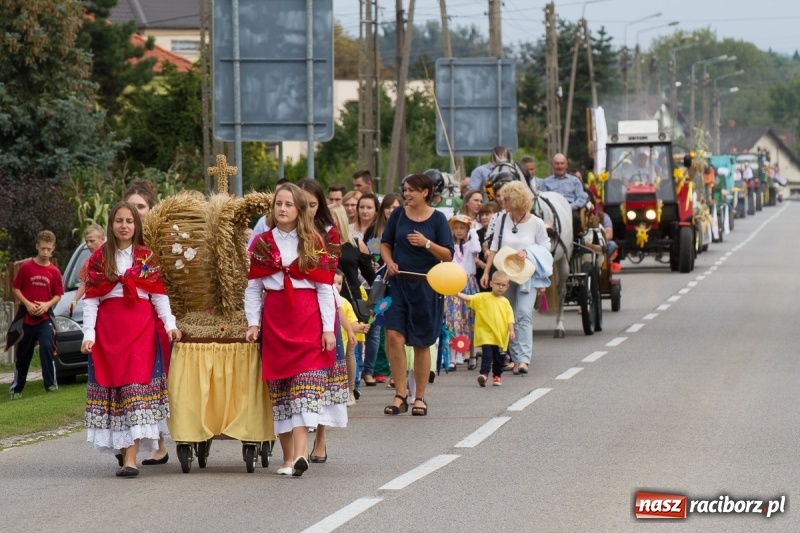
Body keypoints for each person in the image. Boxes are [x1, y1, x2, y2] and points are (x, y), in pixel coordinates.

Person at [81, 202, 181, 477]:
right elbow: (91, 300)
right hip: (110, 332)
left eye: (129, 221)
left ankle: (131, 460)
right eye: (119, 220)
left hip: (140, 331)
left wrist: (170, 324)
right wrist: (89, 334)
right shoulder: (100, 259)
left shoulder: (146, 258)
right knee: (116, 391)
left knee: (136, 389)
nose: (124, 225)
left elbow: (159, 295)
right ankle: (123, 448)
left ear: (136, 226)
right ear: (111, 225)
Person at [245, 183, 337, 477]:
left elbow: (324, 290)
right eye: (278, 204)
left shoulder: (313, 242)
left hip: (307, 318)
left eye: (288, 204)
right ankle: (287, 458)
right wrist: (253, 323)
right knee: (281, 391)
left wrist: (328, 329)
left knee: (304, 389)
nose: (282, 209)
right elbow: (253, 288)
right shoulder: (262, 243)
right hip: (276, 319)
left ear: (299, 209)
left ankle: (300, 454)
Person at [380, 173, 454, 416]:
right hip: (399, 284)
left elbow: (448, 255)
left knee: (422, 342)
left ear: (425, 192)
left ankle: (419, 397)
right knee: (394, 337)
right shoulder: (399, 215)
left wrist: (426, 243)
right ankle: (400, 394)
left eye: (412, 190)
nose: (407, 194)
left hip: (426, 286)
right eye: (405, 189)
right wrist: (389, 262)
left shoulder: (439, 219)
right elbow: (385, 244)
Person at [123, 180, 171, 466]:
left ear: (151, 209)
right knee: (130, 381)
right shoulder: (119, 240)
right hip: (128, 321)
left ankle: (160, 442)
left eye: (141, 207)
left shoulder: (163, 241)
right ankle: (131, 443)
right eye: (131, 207)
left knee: (155, 379)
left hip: (159, 316)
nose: (136, 212)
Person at [480, 181, 550, 376]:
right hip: (505, 275)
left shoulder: (535, 222)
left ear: (517, 200)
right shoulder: (501, 219)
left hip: (527, 275)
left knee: (524, 314)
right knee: (507, 315)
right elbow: (493, 246)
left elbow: (546, 246)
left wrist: (528, 252)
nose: (503, 201)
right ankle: (513, 356)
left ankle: (523, 359)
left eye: (507, 198)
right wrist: (487, 272)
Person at [9, 230, 64, 399]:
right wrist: (27, 303)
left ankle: (51, 384)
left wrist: (47, 305)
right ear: (37, 247)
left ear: (53, 248)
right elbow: (15, 288)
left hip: (45, 318)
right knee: (23, 354)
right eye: (42, 249)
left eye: (48, 249)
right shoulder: (26, 267)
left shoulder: (54, 271)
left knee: (47, 347)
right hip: (27, 318)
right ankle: (17, 389)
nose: (45, 252)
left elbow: (58, 294)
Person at [360, 193, 402, 386]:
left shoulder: (404, 229)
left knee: (395, 330)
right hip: (378, 284)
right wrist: (372, 266)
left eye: (395, 207)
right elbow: (365, 259)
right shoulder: (372, 231)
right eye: (388, 207)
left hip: (399, 283)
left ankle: (396, 373)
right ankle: (372, 370)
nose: (391, 211)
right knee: (377, 328)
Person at [457, 270, 515, 387]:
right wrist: (456, 293)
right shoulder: (483, 297)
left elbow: (510, 319)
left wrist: (511, 330)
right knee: (487, 355)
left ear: (507, 287)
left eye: (503, 285)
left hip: (500, 336)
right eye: (498, 283)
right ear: (491, 283)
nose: (500, 287)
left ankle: (497, 375)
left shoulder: (506, 302)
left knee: (500, 359)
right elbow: (468, 298)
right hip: (486, 335)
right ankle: (484, 374)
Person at [444, 214, 480, 370]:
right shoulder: (450, 246)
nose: (459, 231)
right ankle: (452, 358)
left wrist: (473, 232)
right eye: (456, 228)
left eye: (462, 228)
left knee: (470, 319)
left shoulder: (470, 245)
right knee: (453, 320)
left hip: (469, 284)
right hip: (453, 284)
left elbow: (477, 248)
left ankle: (472, 354)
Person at [68, 224, 106, 316]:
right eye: (86, 241)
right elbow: (85, 282)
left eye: (92, 241)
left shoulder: (113, 257)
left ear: (102, 239)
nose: (88, 244)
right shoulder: (88, 262)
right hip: (93, 306)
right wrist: (74, 301)